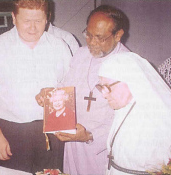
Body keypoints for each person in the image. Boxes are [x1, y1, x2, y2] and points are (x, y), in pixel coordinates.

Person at [0, 0, 72, 174]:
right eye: (26, 21)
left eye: (38, 21)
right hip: (10, 132)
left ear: (47, 19)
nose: (33, 28)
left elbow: (69, 86)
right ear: (14, 18)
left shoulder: (59, 46)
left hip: (52, 131)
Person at [38, 5, 130, 175]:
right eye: (88, 34)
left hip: (103, 149)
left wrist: (89, 135)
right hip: (73, 143)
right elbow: (66, 88)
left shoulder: (128, 65)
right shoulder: (81, 54)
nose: (92, 43)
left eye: (100, 38)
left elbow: (127, 120)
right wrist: (50, 95)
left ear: (118, 35)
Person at [97, 52, 171, 174]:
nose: (103, 94)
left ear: (130, 80)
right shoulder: (123, 109)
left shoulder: (158, 113)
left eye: (107, 87)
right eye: (101, 87)